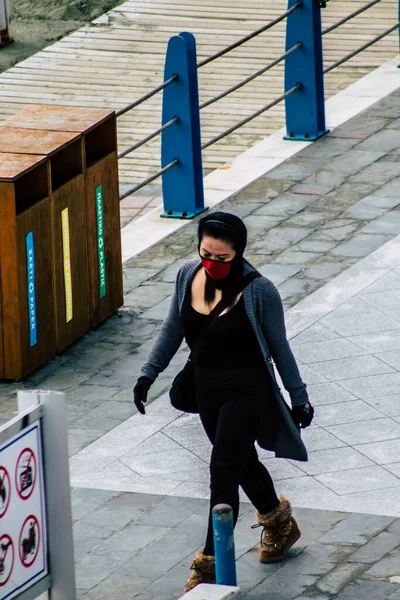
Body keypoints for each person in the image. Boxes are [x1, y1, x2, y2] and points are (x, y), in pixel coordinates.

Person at [133, 211, 314, 593]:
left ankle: (208, 567)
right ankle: (280, 523)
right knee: (241, 463)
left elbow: (280, 347)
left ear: (239, 254)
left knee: (222, 474)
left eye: (222, 258)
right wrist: (148, 374)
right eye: (206, 254)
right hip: (206, 391)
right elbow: (172, 327)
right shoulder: (187, 274)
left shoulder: (259, 291)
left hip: (247, 392)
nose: (211, 264)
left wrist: (300, 399)